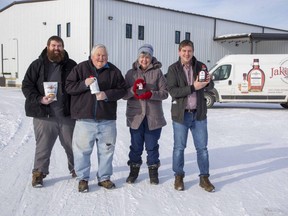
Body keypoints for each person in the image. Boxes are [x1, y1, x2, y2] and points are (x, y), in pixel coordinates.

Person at [65, 44, 126, 193]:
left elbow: (123, 90)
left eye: (104, 55)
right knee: (82, 152)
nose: (101, 58)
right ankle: (83, 179)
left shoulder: (114, 71)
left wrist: (107, 95)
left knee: (106, 150)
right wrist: (84, 84)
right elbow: (68, 87)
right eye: (98, 55)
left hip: (107, 119)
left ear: (107, 57)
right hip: (84, 119)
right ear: (92, 57)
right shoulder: (81, 68)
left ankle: (104, 178)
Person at [22, 35, 77, 188]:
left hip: (66, 114)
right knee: (43, 146)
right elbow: (27, 85)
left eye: (59, 46)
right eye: (53, 45)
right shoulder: (37, 65)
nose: (56, 49)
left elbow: (78, 86)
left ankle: (77, 169)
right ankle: (38, 174)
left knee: (72, 145)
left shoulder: (71, 65)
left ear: (63, 48)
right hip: (44, 115)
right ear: (47, 47)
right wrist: (39, 99)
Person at [166, 40, 215, 192]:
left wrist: (208, 82)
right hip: (181, 115)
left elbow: (210, 86)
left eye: (189, 51)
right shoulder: (173, 69)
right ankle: (178, 176)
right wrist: (194, 87)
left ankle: (204, 178)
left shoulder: (200, 66)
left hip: (198, 114)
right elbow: (173, 91)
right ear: (179, 52)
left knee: (202, 148)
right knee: (179, 148)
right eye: (184, 51)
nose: (187, 54)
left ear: (193, 51)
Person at [123, 44, 168, 185]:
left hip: (153, 117)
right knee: (135, 146)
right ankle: (133, 171)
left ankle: (153, 172)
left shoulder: (158, 73)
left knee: (152, 146)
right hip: (136, 116)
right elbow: (123, 94)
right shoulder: (131, 74)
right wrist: (133, 89)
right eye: (142, 56)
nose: (144, 59)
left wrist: (151, 94)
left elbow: (165, 93)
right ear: (138, 57)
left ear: (151, 58)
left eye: (147, 56)